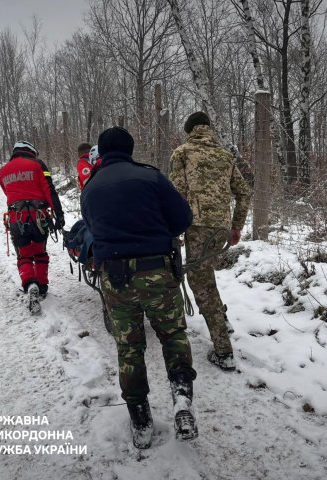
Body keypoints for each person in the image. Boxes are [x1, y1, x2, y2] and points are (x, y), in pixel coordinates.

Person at [81, 126, 197, 449]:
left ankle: (140, 419)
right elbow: (183, 218)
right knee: (173, 335)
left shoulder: (90, 189)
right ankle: (182, 398)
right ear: (131, 150)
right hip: (158, 271)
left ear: (101, 154)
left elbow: (91, 227)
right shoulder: (152, 178)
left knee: (129, 347)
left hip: (116, 278)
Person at [169, 111, 251, 371]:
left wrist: (173, 230)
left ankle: (223, 351)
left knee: (201, 285)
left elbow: (176, 195)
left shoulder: (182, 153)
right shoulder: (226, 155)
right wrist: (236, 227)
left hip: (198, 228)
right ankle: (222, 321)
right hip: (221, 231)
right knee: (206, 278)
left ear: (190, 130)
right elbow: (244, 192)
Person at [0, 141, 65, 302]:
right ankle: (42, 287)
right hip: (39, 217)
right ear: (31, 152)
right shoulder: (38, 165)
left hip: (16, 218)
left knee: (23, 255)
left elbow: (7, 192)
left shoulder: (3, 171)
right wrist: (59, 214)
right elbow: (49, 190)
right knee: (40, 252)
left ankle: (29, 284)